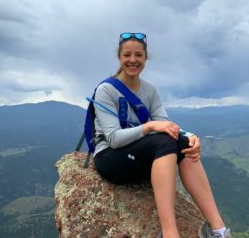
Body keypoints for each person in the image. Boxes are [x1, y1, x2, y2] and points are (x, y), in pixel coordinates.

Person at [92, 32, 231, 238]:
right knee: (164, 142)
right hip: (111, 159)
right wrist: (149, 127)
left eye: (138, 55)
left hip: (140, 158)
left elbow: (166, 125)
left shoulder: (150, 90)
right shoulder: (106, 90)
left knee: (182, 143)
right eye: (127, 55)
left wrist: (191, 136)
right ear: (119, 57)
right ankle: (170, 234)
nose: (133, 60)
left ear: (145, 58)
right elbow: (113, 138)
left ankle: (218, 230)